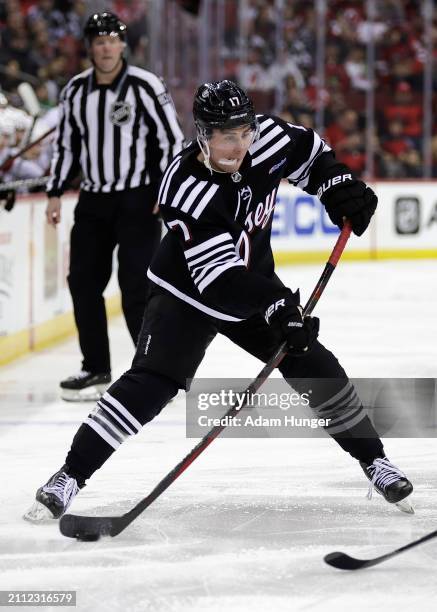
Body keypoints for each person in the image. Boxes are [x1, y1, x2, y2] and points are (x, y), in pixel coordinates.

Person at [25, 80, 413, 522]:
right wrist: (279, 305)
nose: (239, 145)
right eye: (226, 136)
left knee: (316, 365)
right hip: (188, 292)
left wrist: (337, 185)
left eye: (245, 132)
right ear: (202, 135)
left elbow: (311, 153)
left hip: (253, 281)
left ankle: (374, 461)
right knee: (150, 385)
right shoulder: (185, 186)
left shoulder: (264, 137)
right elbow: (219, 278)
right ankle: (70, 475)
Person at [45, 12, 184, 401]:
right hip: (92, 200)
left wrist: (165, 191)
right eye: (98, 40)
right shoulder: (75, 91)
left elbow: (172, 141)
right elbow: (66, 146)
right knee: (83, 283)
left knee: (136, 286)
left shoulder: (144, 85)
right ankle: (95, 368)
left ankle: (152, 368)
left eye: (112, 39)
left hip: (139, 199)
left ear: (123, 45)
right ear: (89, 47)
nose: (105, 47)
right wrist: (55, 192)